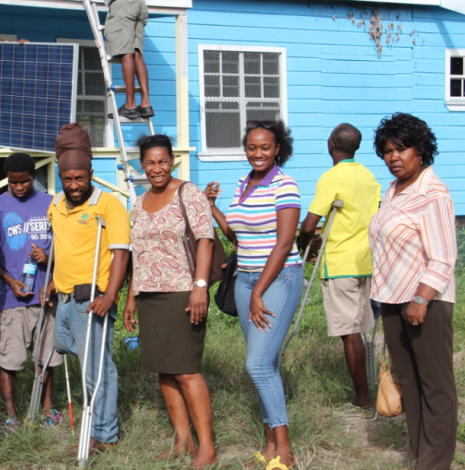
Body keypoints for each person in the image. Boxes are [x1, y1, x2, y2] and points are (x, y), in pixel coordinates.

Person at [204, 120, 303, 470]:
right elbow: (236, 234)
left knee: (257, 364)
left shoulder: (285, 184)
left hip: (278, 279)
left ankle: (285, 450)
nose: (257, 153)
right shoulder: (243, 184)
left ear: (278, 149)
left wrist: (260, 290)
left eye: (265, 147)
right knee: (266, 363)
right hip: (245, 279)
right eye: (251, 147)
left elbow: (285, 243)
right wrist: (212, 207)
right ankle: (269, 444)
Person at [369, 113, 457, 470]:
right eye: (387, 151)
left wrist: (421, 298)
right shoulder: (392, 191)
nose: (394, 157)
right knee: (408, 381)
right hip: (392, 299)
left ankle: (435, 462)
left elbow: (443, 256)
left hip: (425, 302)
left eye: (402, 149)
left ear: (421, 150)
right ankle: (418, 453)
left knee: (435, 383)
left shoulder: (432, 193)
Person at [122, 134, 217, 468]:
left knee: (187, 371)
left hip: (182, 292)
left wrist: (200, 286)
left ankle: (207, 447)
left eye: (162, 161)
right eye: (150, 163)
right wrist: (132, 297)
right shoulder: (139, 201)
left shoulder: (187, 193)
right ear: (141, 165)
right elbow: (139, 254)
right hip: (149, 295)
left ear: (172, 160)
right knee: (164, 371)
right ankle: (182, 440)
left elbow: (205, 239)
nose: (156, 168)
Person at [43, 122, 130, 455]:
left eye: (80, 178)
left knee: (97, 369)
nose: (75, 185)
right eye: (68, 179)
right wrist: (52, 281)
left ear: (90, 172)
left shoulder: (108, 206)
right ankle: (98, 417)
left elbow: (121, 253)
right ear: (60, 176)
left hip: (91, 300)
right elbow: (62, 247)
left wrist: (110, 295)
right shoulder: (55, 204)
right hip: (62, 300)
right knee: (67, 350)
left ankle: (105, 435)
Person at [298, 123, 381, 420]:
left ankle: (363, 400)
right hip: (366, 262)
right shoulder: (369, 177)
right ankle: (369, 389)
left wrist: (303, 245)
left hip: (340, 264)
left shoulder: (331, 177)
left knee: (350, 332)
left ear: (331, 143)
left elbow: (309, 225)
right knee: (361, 327)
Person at [0, 152, 63, 432]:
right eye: (13, 182)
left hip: (46, 295)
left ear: (34, 176)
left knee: (46, 358)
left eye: (24, 181)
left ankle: (47, 410)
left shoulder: (52, 203)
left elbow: (67, 244)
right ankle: (11, 417)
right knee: (11, 359)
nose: (19, 187)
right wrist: (8, 279)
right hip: (12, 298)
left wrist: (48, 255)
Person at [104, 0, 153, 119]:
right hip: (139, 4)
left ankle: (130, 105)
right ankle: (146, 104)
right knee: (137, 53)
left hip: (123, 5)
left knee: (126, 52)